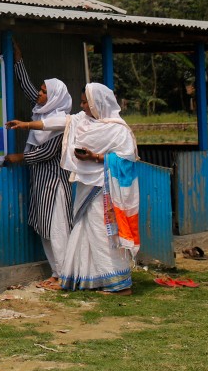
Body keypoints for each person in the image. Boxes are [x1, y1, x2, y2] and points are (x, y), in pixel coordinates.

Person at [56, 82, 140, 295]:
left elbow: (127, 160)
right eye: (82, 102)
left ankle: (121, 285)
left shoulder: (118, 130)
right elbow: (56, 123)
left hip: (105, 190)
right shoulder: (83, 122)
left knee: (102, 233)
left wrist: (95, 158)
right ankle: (92, 279)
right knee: (85, 231)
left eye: (86, 102)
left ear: (98, 103)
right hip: (87, 185)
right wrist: (26, 125)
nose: (83, 106)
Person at [4, 43, 74, 289]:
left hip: (54, 183)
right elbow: (27, 88)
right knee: (45, 228)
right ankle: (56, 273)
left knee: (57, 229)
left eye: (44, 92)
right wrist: (18, 60)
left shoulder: (62, 123)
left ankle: (66, 275)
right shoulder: (42, 114)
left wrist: (19, 158)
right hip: (40, 182)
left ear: (54, 97)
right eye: (42, 90)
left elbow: (46, 153)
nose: (40, 94)